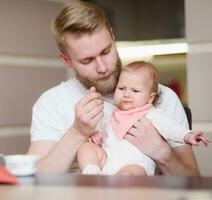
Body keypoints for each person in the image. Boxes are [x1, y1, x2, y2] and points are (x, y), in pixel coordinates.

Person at [27, 1, 201, 176]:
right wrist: (77, 132)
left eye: (106, 51)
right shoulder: (52, 103)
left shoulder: (164, 97)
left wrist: (162, 152)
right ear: (66, 60)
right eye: (87, 60)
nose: (102, 67)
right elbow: (34, 180)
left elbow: (194, 181)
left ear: (112, 36)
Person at [77, 61, 210, 175]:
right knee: (86, 149)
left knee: (128, 175)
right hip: (106, 159)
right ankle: (92, 172)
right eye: (122, 88)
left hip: (135, 164)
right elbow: (102, 129)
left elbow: (171, 128)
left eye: (135, 91)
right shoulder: (112, 113)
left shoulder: (151, 114)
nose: (126, 94)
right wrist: (96, 135)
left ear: (150, 97)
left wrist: (187, 135)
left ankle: (116, 189)